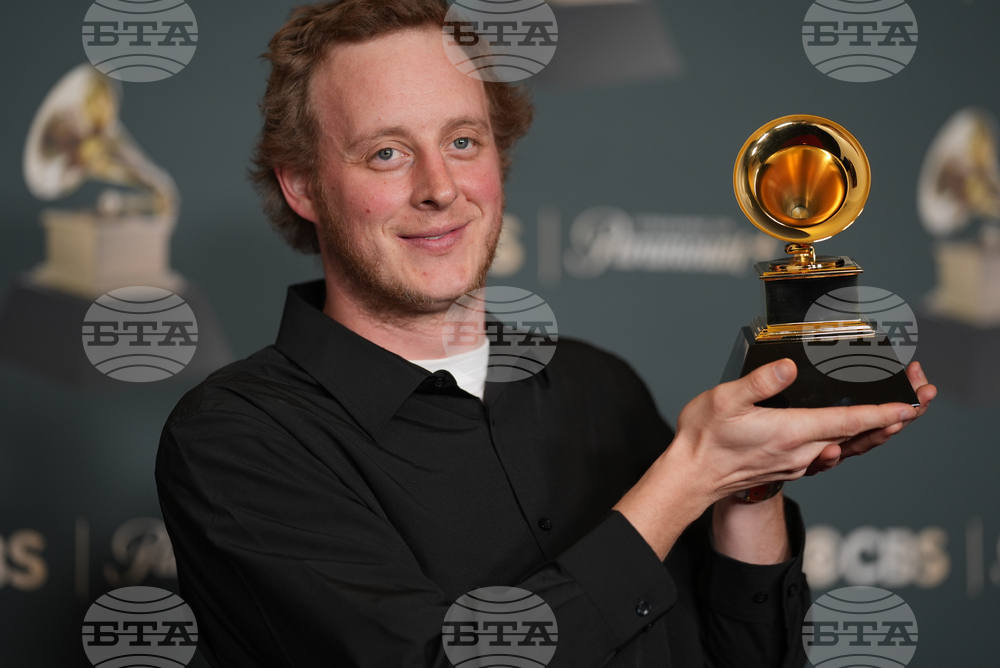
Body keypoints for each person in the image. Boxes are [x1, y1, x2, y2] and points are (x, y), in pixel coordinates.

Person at [155, 1, 936, 666]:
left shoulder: (601, 387)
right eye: (386, 153)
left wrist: (747, 490)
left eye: (463, 141)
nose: (439, 188)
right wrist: (687, 476)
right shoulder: (236, 439)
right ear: (303, 186)